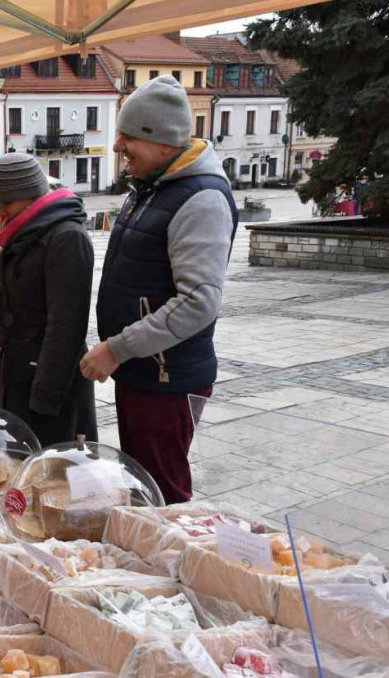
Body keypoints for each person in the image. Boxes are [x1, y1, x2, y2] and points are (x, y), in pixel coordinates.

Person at [80, 75, 237, 505]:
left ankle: (178, 568)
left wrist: (118, 347)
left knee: (164, 496)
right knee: (142, 489)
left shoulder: (199, 199)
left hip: (167, 378)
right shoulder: (153, 188)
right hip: (144, 371)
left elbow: (199, 301)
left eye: (127, 138)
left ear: (162, 141)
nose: (118, 148)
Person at [0, 153, 97, 447]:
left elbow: (66, 327)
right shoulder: (21, 235)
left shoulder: (67, 237)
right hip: (14, 384)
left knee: (52, 479)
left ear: (30, 195)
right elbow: (1, 313)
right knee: (14, 474)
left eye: (7, 202)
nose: (2, 213)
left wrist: (45, 398)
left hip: (46, 394)